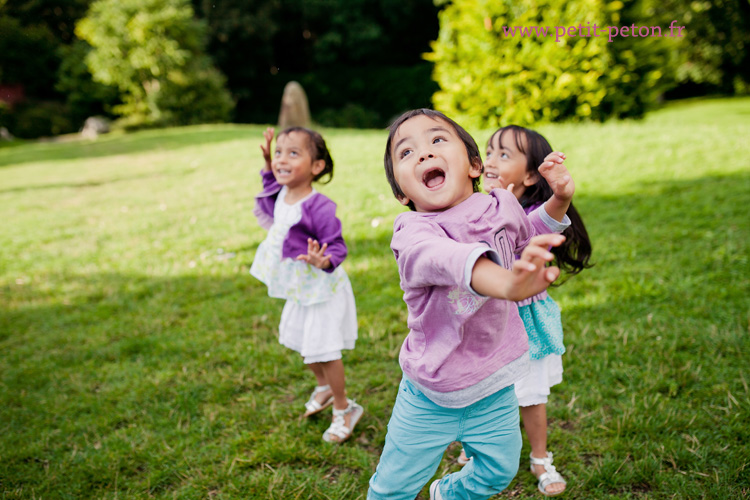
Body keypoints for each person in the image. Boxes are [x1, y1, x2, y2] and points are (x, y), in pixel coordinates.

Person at [367, 109, 574, 500]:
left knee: (499, 472)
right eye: (406, 152)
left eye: (437, 140)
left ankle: (446, 494)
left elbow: (526, 234)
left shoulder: (501, 205)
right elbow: (447, 259)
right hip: (431, 394)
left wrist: (559, 200)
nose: (425, 154)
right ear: (402, 192)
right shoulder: (412, 233)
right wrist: (507, 283)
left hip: (494, 384)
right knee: (391, 490)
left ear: (475, 165)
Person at [458, 125, 593, 496]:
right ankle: (475, 451)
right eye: (488, 151)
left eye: (504, 154)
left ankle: (539, 457)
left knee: (531, 396)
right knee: (480, 392)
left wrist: (562, 194)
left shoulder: (523, 212)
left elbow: (541, 222)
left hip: (524, 323)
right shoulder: (472, 206)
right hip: (485, 323)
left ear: (530, 174)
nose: (490, 161)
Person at [250, 126, 362, 443]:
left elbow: (337, 246)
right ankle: (324, 387)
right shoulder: (282, 192)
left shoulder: (319, 206)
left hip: (323, 291)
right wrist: (266, 162)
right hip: (300, 291)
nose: (282, 160)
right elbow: (269, 181)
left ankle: (345, 408)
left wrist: (322, 260)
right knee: (303, 344)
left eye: (293, 153)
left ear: (316, 167)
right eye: (279, 153)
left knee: (325, 350)